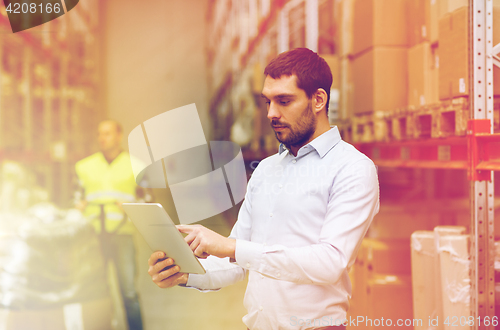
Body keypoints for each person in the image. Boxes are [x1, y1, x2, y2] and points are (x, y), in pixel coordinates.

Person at [147, 48, 380, 330]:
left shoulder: (352, 168)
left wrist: (231, 246)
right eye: (267, 102)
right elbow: (238, 262)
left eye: (284, 101)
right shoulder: (267, 170)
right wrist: (184, 273)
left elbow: (331, 262)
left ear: (318, 99)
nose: (271, 113)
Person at [75, 120, 145, 330]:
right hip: (94, 237)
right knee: (98, 292)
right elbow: (75, 198)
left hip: (123, 235)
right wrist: (77, 205)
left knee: (129, 292)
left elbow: (148, 202)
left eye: (106, 133)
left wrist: (132, 206)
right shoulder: (84, 167)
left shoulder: (136, 166)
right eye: (99, 133)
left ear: (118, 135)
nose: (102, 138)